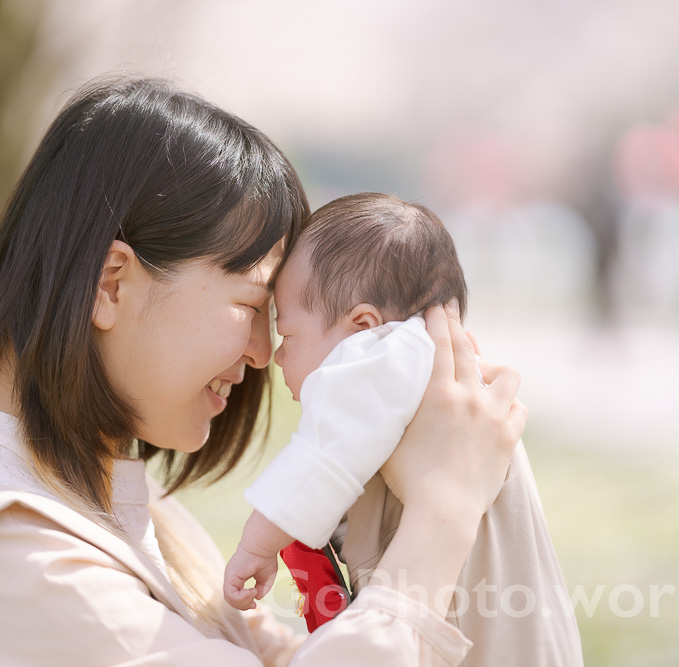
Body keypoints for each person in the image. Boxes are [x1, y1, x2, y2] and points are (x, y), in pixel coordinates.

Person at [0, 77, 527, 667]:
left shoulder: (98, 499)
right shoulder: (19, 557)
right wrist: (444, 508)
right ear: (111, 283)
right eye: (251, 304)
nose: (265, 354)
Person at [223, 193, 584, 665]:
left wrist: (258, 543)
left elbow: (320, 461)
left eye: (287, 334)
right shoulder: (441, 378)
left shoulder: (381, 356)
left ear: (364, 327)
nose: (276, 356)